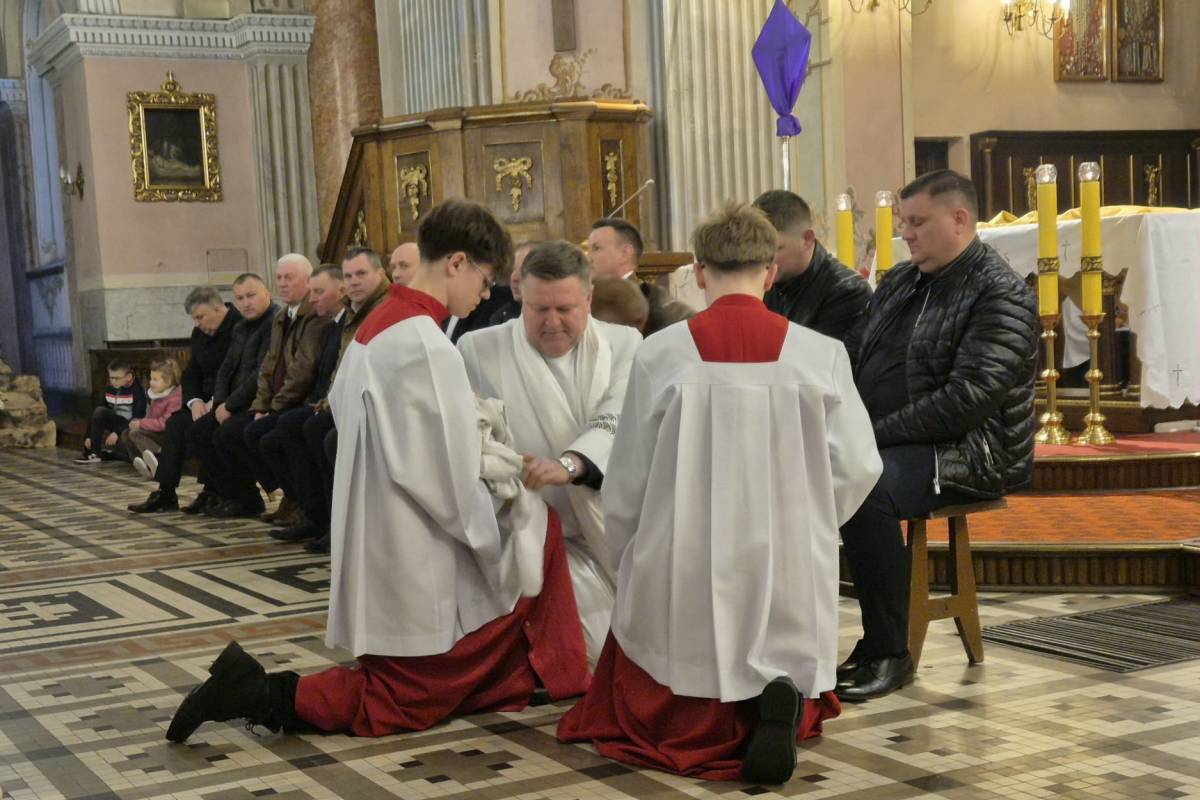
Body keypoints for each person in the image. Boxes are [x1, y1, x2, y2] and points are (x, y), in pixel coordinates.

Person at [165, 198, 589, 743]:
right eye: (484, 280)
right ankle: (253, 691)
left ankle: (526, 677)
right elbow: (446, 478)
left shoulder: (380, 325)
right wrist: (494, 524)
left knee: (424, 674)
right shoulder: (424, 344)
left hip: (379, 520)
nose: (486, 295)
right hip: (415, 537)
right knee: (409, 692)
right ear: (457, 263)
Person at [558, 203, 882, 784]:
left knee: (672, 624)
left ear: (701, 271)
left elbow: (628, 474)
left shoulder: (661, 352)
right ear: (771, 272)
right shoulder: (820, 353)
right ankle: (776, 698)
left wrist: (629, 550)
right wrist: (809, 518)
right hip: (786, 553)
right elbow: (860, 463)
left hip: (687, 549)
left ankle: (702, 717)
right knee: (780, 624)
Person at [836, 170, 1039, 702]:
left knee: (866, 488)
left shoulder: (1000, 293)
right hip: (894, 439)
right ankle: (838, 641)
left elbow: (966, 401)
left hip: (970, 449)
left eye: (918, 222)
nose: (906, 234)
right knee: (818, 472)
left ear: (959, 219)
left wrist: (869, 436)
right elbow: (852, 354)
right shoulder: (902, 282)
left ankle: (890, 651)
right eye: (905, 223)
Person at [458, 240, 641, 665]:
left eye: (565, 308)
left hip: (612, 530)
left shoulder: (626, 344)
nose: (552, 322)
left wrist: (570, 465)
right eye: (539, 309)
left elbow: (621, 415)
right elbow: (471, 440)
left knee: (646, 646)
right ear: (520, 296)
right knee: (595, 653)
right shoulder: (478, 350)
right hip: (528, 537)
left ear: (589, 299)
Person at [217, 255, 329, 523]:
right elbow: (268, 367)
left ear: (308, 280)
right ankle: (292, 496)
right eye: (279, 277)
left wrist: (274, 408)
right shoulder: (282, 317)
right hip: (281, 402)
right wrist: (261, 406)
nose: (283, 283)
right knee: (246, 432)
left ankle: (303, 502)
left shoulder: (314, 316)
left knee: (263, 435)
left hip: (302, 401)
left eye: (289, 277)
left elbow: (302, 369)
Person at [128, 287, 241, 514]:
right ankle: (166, 493)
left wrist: (216, 401)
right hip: (203, 402)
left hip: (230, 400)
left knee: (202, 430)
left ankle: (213, 491)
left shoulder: (238, 327)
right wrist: (194, 401)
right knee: (176, 423)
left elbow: (239, 373)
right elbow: (191, 373)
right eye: (194, 319)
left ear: (217, 308)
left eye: (200, 317)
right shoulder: (199, 334)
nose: (197, 323)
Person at [260, 264, 346, 546]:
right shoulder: (332, 324)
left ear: (341, 291)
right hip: (318, 401)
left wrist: (282, 405)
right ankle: (309, 510)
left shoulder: (338, 324)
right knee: (276, 431)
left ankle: (325, 517)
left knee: (306, 428)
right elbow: (269, 365)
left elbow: (310, 371)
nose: (313, 298)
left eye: (319, 292)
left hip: (331, 404)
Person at [186, 274, 278, 516]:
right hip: (234, 402)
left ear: (267, 293)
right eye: (240, 298)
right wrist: (219, 403)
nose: (246, 303)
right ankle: (227, 493)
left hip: (258, 401)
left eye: (251, 295)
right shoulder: (241, 327)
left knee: (226, 433)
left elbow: (260, 374)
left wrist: (229, 405)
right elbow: (226, 369)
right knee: (198, 431)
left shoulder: (273, 323)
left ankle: (248, 499)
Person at [753, 190, 872, 366]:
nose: (762, 258)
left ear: (807, 240)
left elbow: (825, 368)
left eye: (775, 248)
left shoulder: (849, 291)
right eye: (756, 248)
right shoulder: (760, 282)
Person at [587, 218, 694, 335]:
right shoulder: (586, 298)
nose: (589, 258)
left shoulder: (664, 310)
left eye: (596, 248)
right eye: (589, 250)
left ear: (625, 253)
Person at [122, 358, 184, 479]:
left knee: (135, 434)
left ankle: (160, 458)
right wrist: (138, 423)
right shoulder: (157, 394)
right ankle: (142, 463)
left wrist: (141, 424)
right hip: (156, 431)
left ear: (168, 381)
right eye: (151, 378)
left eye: (155, 379)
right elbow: (150, 417)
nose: (151, 382)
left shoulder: (175, 397)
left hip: (167, 435)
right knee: (126, 433)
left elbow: (165, 423)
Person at [76, 360, 147, 464]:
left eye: (117, 378)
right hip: (116, 422)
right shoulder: (110, 389)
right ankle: (94, 453)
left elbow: (137, 418)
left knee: (127, 453)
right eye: (111, 378)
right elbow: (97, 413)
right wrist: (88, 436)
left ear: (129, 377)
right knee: (99, 411)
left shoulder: (138, 392)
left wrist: (117, 432)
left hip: (130, 427)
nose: (113, 381)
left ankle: (108, 455)